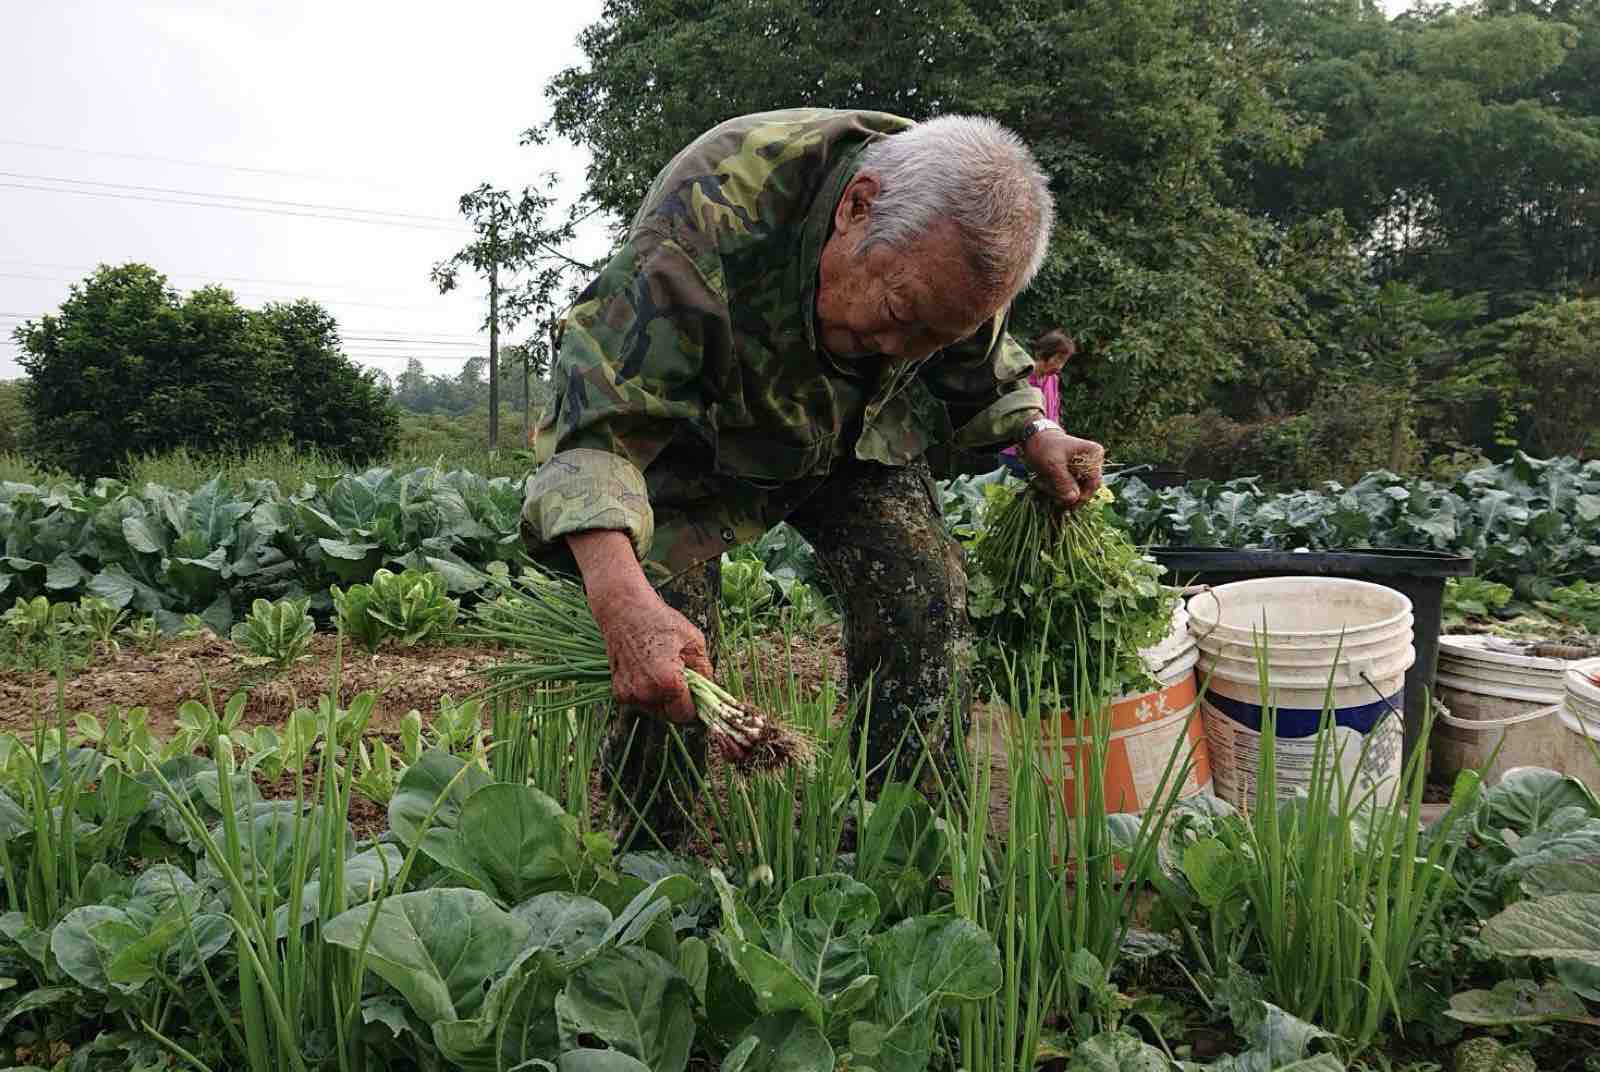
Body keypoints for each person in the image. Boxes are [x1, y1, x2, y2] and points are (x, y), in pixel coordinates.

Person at [521, 108, 1105, 848]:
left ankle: (903, 845)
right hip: (693, 436)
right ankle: (652, 859)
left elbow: (980, 361)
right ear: (856, 207)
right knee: (665, 654)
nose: (900, 347)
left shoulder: (952, 255)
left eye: (930, 335)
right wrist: (618, 595)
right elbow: (593, 425)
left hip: (849, 434)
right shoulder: (705, 216)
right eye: (898, 313)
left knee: (923, 591)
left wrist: (1037, 430)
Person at [998, 329, 1075, 478]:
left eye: (1063, 362)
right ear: (1042, 354)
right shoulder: (1021, 378)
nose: (1060, 367)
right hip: (1014, 454)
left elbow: (1054, 414)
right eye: (1057, 359)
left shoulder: (1053, 380)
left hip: (1043, 453)